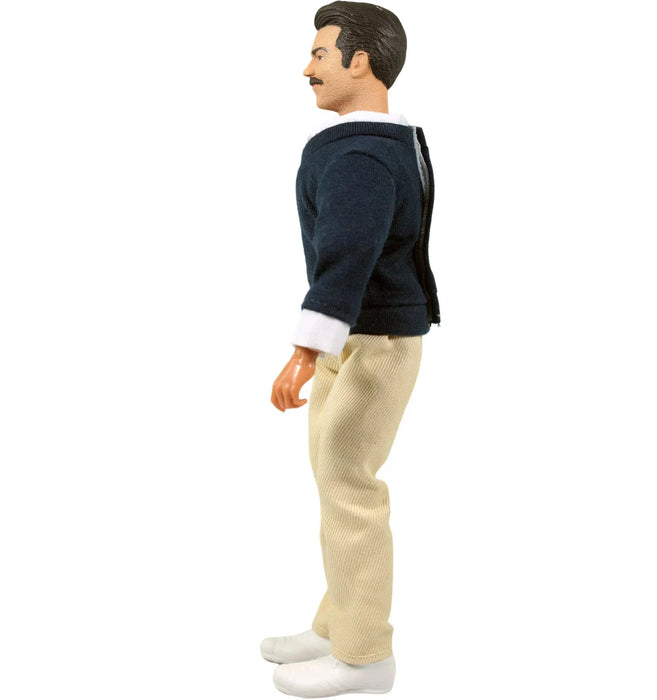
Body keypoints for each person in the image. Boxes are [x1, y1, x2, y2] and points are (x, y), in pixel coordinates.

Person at [262, 2, 439, 696]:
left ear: (358, 62)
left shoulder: (361, 154)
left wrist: (304, 351)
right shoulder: (374, 144)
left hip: (376, 342)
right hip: (357, 335)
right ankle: (338, 623)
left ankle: (365, 656)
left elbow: (348, 254)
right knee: (333, 478)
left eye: (319, 54)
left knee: (349, 487)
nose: (306, 68)